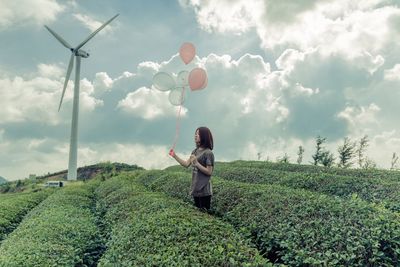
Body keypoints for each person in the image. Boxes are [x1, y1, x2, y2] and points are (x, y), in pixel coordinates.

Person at [169, 127, 214, 211]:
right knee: (198, 214)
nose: (195, 136)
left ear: (204, 136)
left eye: (198, 134)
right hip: (196, 189)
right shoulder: (194, 151)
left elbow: (209, 172)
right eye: (195, 133)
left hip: (204, 191)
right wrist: (174, 155)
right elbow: (186, 164)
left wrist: (196, 163)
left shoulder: (208, 153)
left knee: (204, 215)